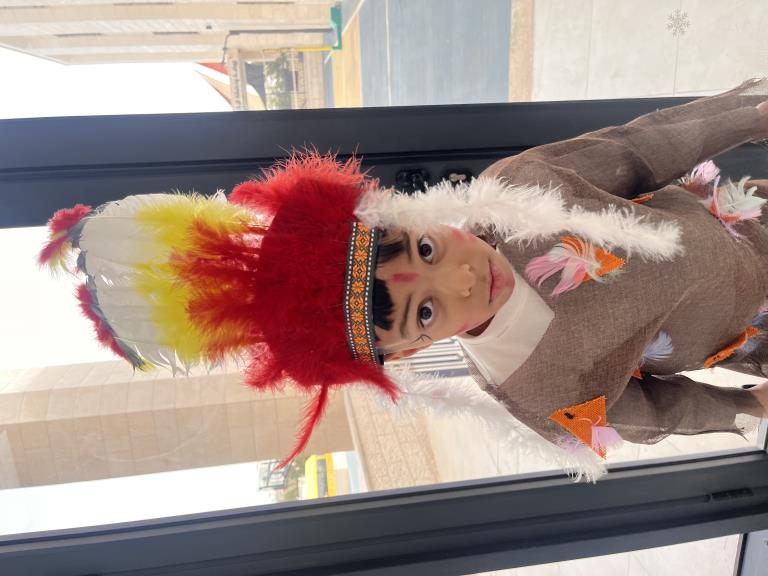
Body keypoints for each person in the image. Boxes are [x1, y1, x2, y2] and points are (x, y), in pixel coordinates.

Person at [39, 78, 768, 480]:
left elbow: (642, 147)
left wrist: (750, 111)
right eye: (422, 313)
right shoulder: (535, 386)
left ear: (409, 215)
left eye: (424, 248)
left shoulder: (523, 189)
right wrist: (745, 410)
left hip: (749, 215)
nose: (461, 278)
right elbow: (652, 415)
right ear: (411, 351)